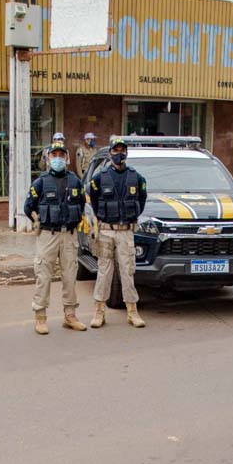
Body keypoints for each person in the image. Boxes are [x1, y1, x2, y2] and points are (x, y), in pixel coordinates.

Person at [23, 145, 87, 335]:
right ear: (48, 158)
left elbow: (81, 204)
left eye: (61, 155)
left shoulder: (75, 181)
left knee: (70, 277)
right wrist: (37, 221)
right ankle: (40, 317)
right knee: (43, 276)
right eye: (54, 155)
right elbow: (28, 207)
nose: (58, 158)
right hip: (48, 235)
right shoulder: (40, 182)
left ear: (67, 158)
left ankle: (70, 316)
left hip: (69, 235)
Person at [87, 139, 147, 328]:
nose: (119, 153)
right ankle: (99, 312)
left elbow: (141, 201)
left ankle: (132, 312)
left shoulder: (136, 177)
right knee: (104, 272)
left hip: (126, 232)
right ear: (110, 153)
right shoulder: (99, 178)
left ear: (126, 153)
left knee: (128, 272)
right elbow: (94, 201)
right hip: (106, 231)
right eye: (116, 150)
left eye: (122, 150)